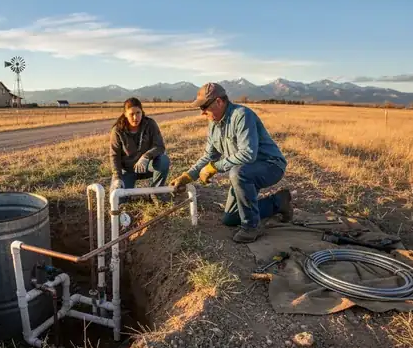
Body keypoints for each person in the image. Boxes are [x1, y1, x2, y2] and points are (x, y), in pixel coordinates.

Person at [170, 82, 292, 243]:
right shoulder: (214, 125)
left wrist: (215, 167)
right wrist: (187, 176)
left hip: (270, 166)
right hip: (246, 171)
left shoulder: (241, 115)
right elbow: (208, 156)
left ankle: (251, 227)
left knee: (237, 172)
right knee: (230, 218)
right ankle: (279, 202)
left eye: (204, 107)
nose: (202, 113)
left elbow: (248, 153)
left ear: (219, 102)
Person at [109, 98, 171, 199]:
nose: (135, 117)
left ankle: (156, 194)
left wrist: (146, 157)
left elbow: (160, 146)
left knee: (163, 160)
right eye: (131, 114)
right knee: (117, 199)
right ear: (125, 114)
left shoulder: (150, 124)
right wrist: (117, 178)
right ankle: (126, 191)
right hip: (128, 169)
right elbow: (114, 155)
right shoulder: (117, 130)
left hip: (148, 166)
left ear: (142, 112)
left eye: (138, 113)